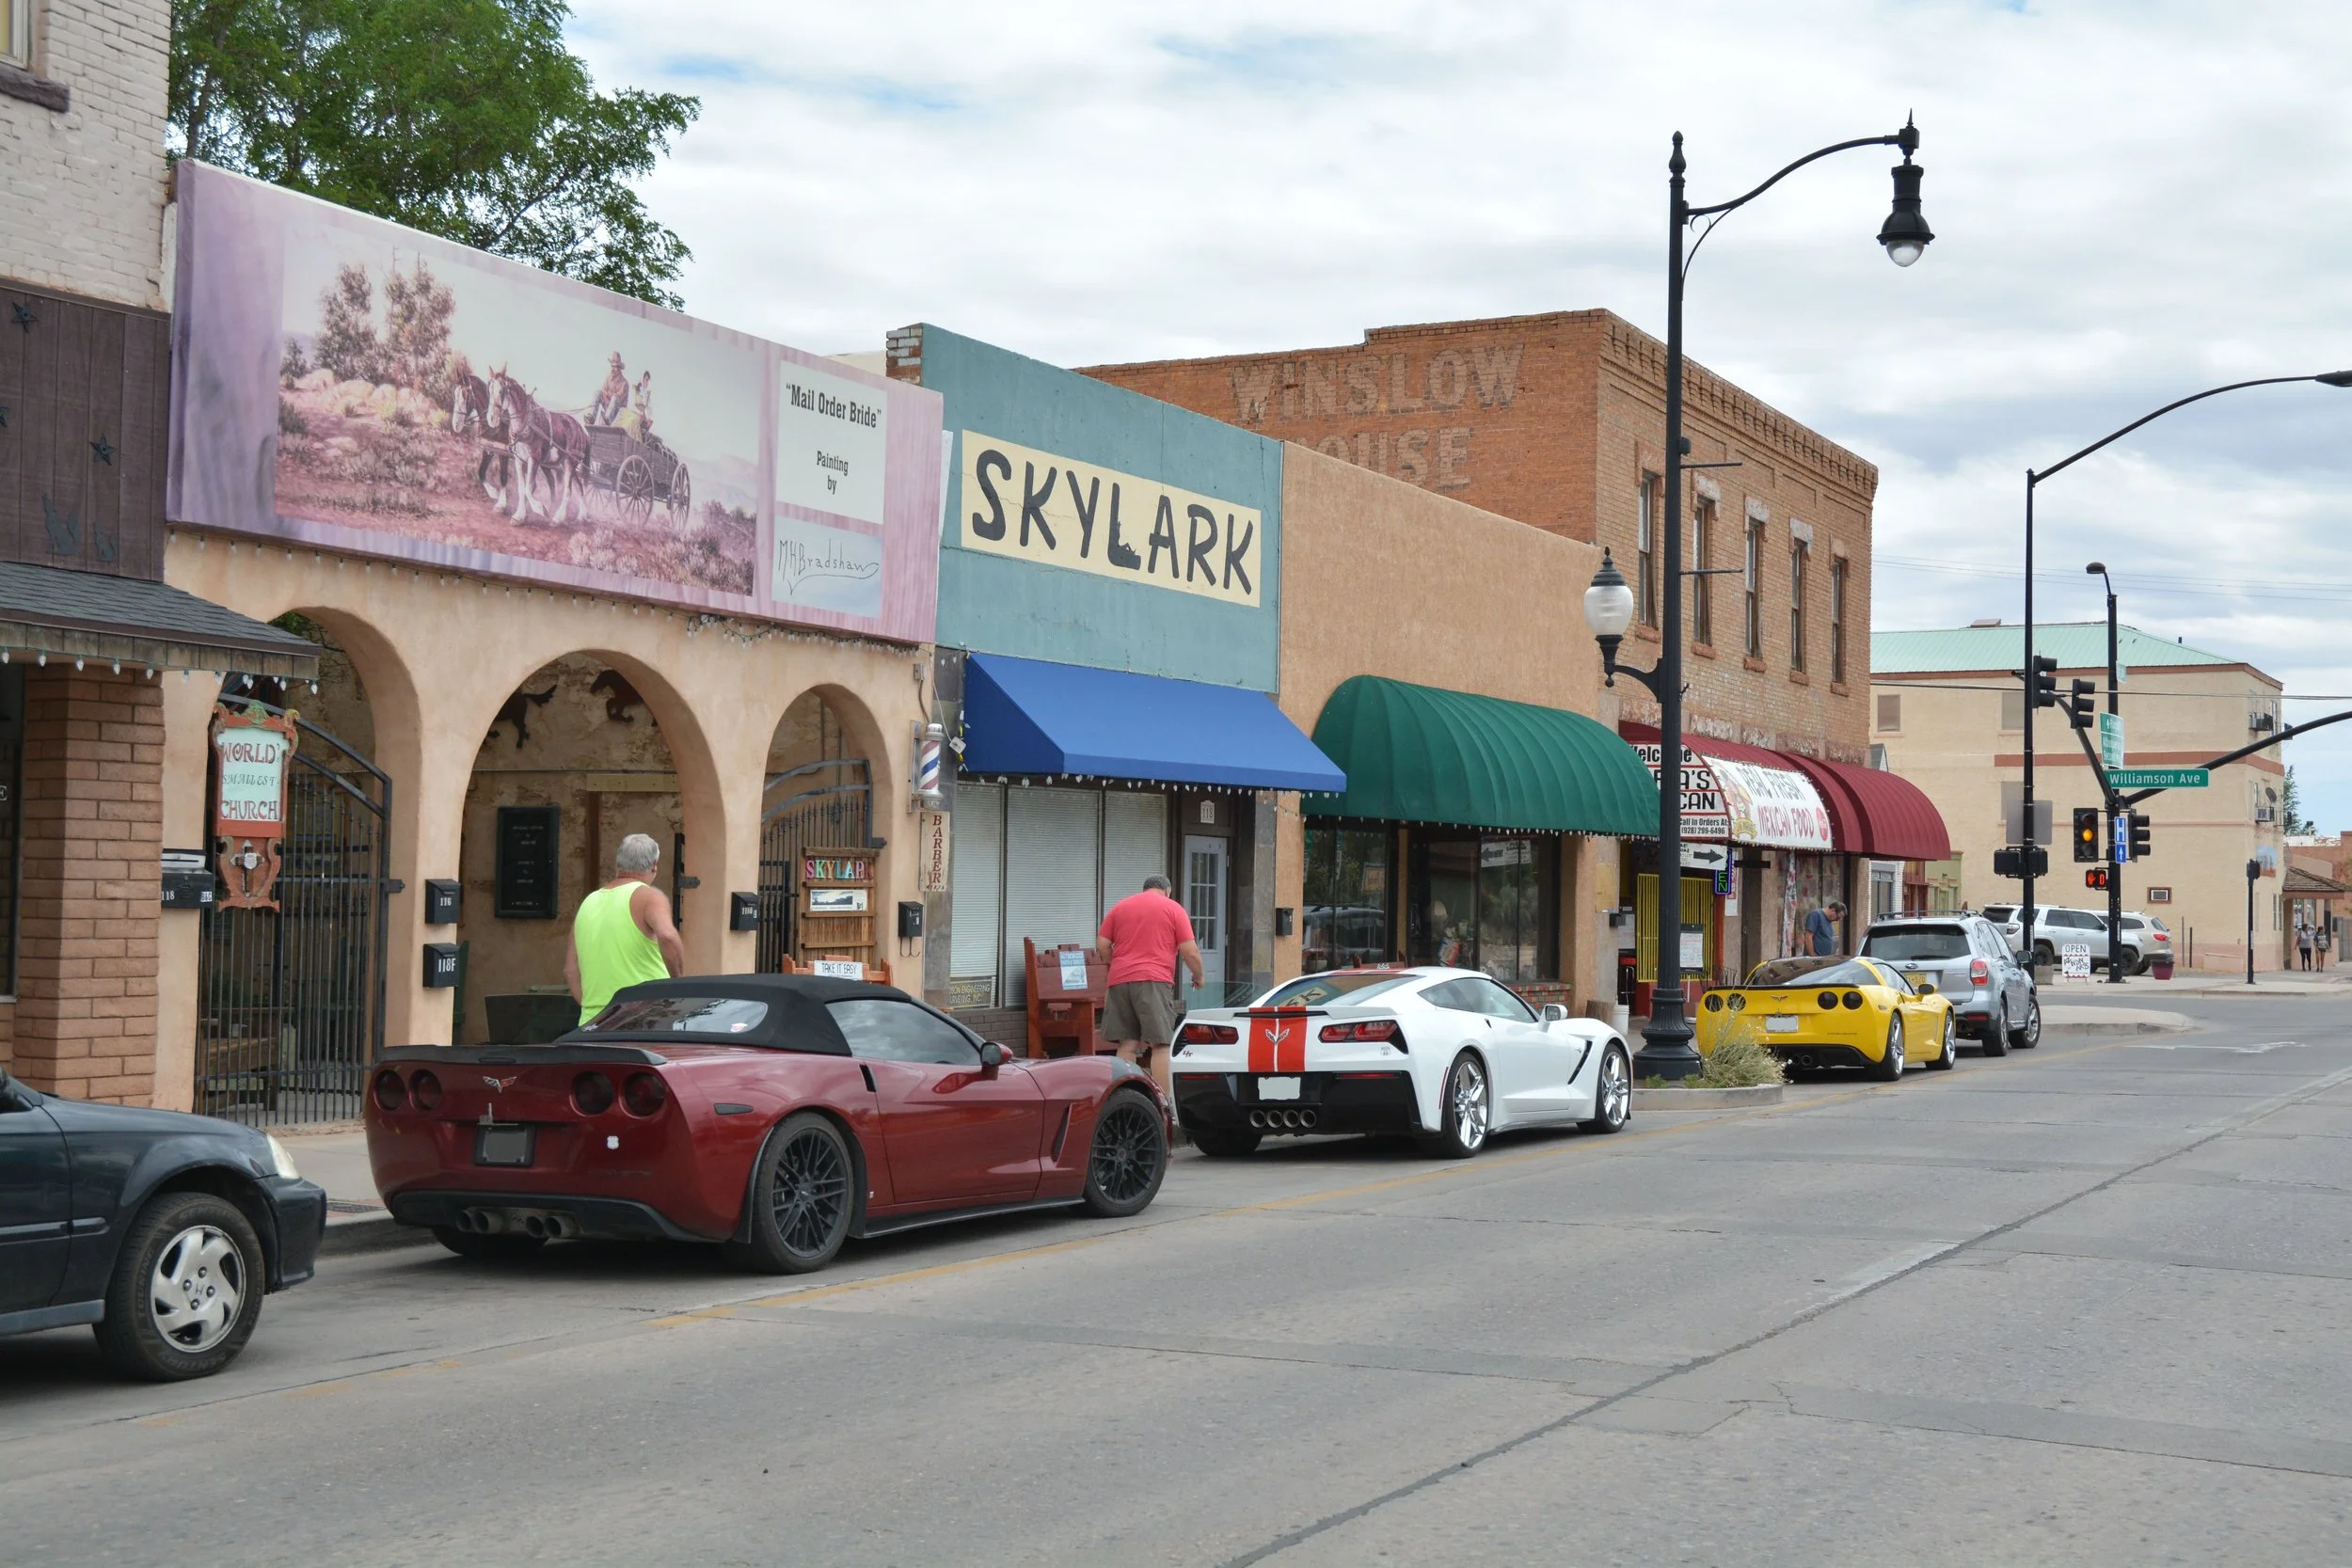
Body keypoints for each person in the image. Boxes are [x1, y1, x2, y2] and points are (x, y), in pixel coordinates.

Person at [1096, 874, 1204, 1092]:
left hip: (1120, 981)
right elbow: (1190, 951)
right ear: (1167, 891)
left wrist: (1116, 964)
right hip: (1153, 980)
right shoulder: (1173, 909)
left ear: (1145, 888)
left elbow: (1102, 945)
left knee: (1127, 1044)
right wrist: (1199, 976)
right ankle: (1165, 1102)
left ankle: (1127, 1096)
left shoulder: (1120, 907)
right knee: (1161, 1045)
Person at [564, 832, 684, 1025]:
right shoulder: (649, 897)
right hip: (644, 1017)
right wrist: (679, 985)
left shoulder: (588, 903)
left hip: (593, 1023)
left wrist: (593, 1009)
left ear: (618, 864)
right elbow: (668, 937)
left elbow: (570, 969)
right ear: (654, 865)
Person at [592, 352, 629, 424]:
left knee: (614, 398)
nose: (613, 369)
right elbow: (603, 390)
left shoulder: (625, 383)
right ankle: (591, 417)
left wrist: (608, 395)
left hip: (618, 413)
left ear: (619, 368)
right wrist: (606, 394)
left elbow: (618, 398)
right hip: (609, 407)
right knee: (597, 393)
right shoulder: (608, 378)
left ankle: (607, 419)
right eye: (612, 366)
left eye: (615, 367)